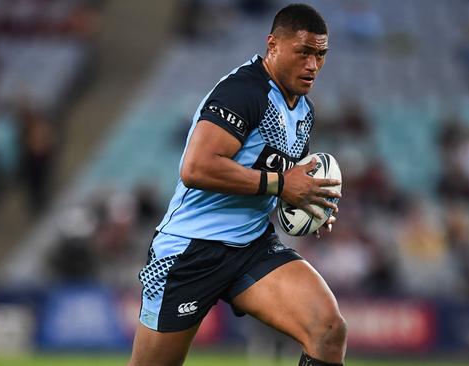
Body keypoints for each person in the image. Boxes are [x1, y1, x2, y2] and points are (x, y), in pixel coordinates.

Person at [127, 4, 346, 366]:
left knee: (328, 330)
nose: (313, 65)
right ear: (273, 45)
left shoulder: (303, 111)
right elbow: (196, 167)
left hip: (251, 246)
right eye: (304, 52)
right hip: (191, 250)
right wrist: (281, 184)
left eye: (320, 55)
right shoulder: (242, 91)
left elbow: (282, 185)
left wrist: (309, 203)